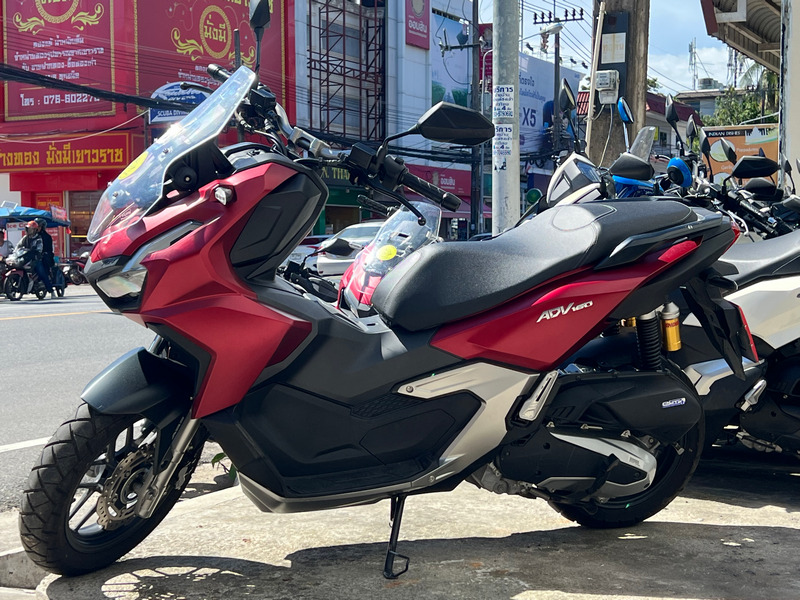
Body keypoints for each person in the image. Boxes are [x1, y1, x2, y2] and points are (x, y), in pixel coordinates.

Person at [16, 220, 57, 299]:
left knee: (42, 273)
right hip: (26, 258)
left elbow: (39, 249)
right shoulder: (25, 238)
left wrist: (34, 252)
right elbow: (18, 246)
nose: (29, 231)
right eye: (28, 229)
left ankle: (51, 291)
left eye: (31, 229)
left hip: (35, 259)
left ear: (35, 230)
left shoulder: (39, 238)